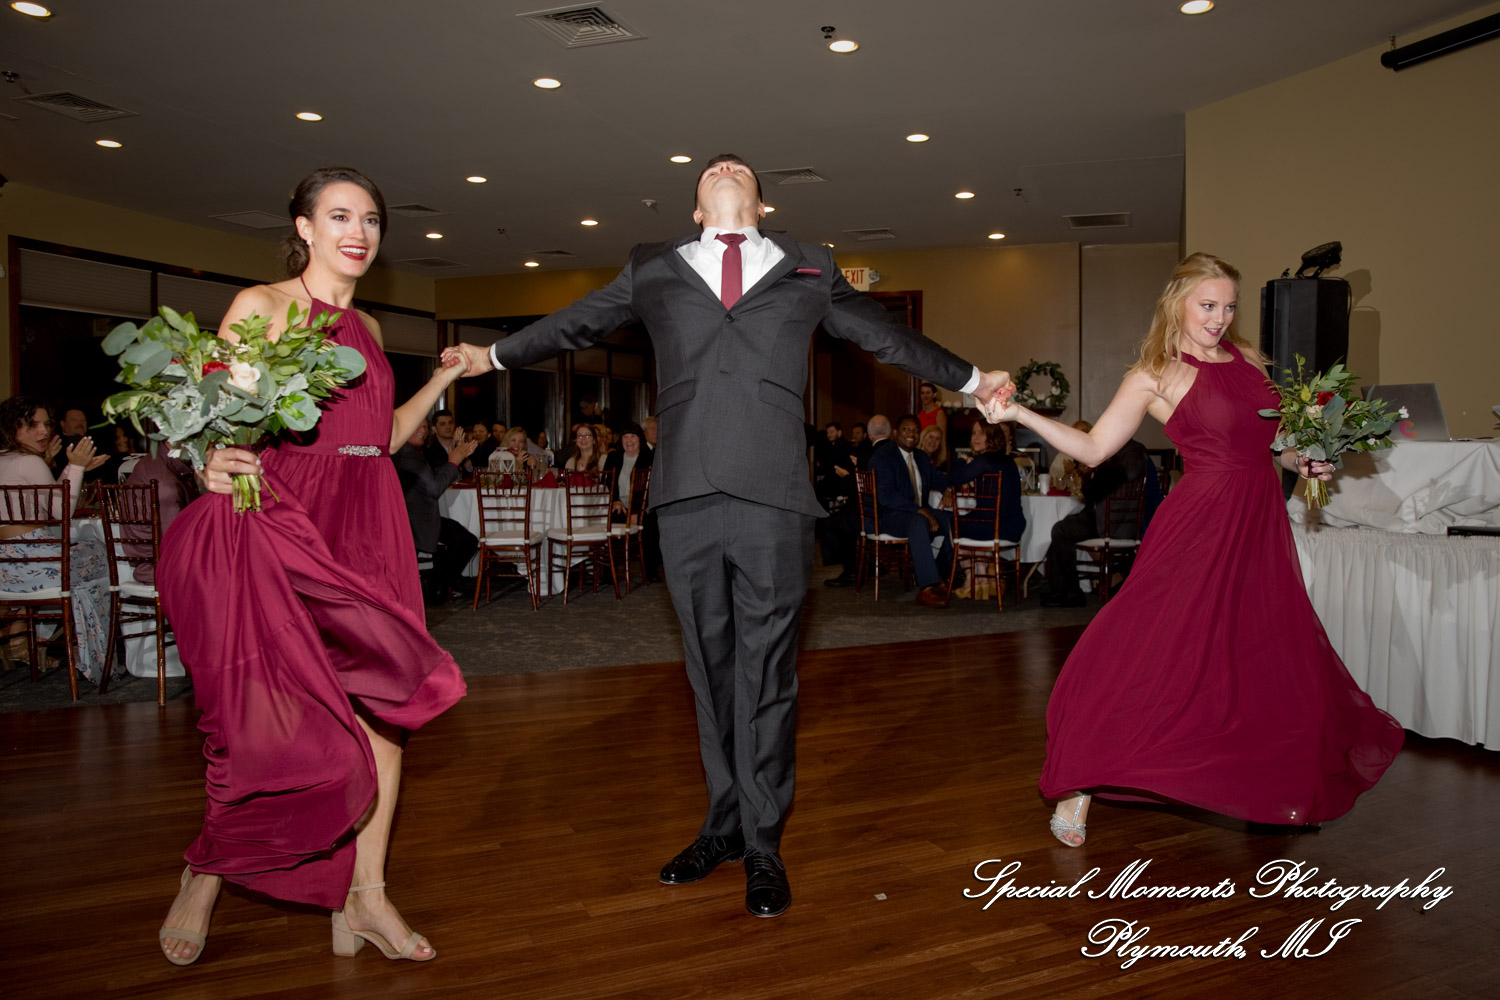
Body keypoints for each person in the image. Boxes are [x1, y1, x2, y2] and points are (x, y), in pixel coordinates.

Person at [445, 153, 1010, 918]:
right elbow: (578, 320)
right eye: (711, 170)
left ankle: (764, 844)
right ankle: (723, 826)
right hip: (685, 498)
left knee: (767, 672)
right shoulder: (653, 265)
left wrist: (972, 379)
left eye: (737, 167)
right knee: (709, 671)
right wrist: (491, 354)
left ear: (761, 202)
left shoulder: (809, 266)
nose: (724, 166)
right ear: (695, 209)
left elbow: (883, 337)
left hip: (775, 498)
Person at [981, 252, 1403, 846]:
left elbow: (1273, 445)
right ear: (1177, 303)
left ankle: (1269, 786)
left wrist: (1303, 459)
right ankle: (1080, 777)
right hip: (1200, 522)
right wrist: (1019, 411)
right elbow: (1094, 449)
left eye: (1228, 307)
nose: (1219, 318)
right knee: (1145, 642)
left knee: (1259, 648)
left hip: (1259, 521)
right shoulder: (1154, 374)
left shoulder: (1248, 360)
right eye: (1208, 305)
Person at [155, 166, 467, 967]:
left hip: (371, 521)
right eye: (339, 216)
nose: (358, 233)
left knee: (384, 713)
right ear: (303, 227)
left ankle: (366, 897)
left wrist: (442, 377)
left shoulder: (368, 331)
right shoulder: (262, 306)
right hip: (290, 518)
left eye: (370, 220)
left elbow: (379, 437)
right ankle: (206, 873)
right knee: (263, 720)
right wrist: (210, 460)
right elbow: (211, 419)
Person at [0, 397, 111, 680]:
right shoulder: (29, 462)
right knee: (102, 553)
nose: (43, 431)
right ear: (12, 427)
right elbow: (61, 513)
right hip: (34, 565)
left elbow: (50, 499)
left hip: (6, 569)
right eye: (32, 424)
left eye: (46, 424)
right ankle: (93, 654)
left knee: (86, 558)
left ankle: (26, 638)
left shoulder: (8, 460)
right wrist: (76, 468)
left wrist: (73, 468)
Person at [1037, 436, 1152, 608]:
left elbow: (1131, 472)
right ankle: (1060, 589)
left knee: (1062, 530)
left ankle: (1070, 593)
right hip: (1101, 516)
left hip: (1117, 522)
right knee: (1061, 525)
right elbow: (1091, 493)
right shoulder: (1113, 452)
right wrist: (1088, 474)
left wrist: (1101, 466)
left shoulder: (1134, 450)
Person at [869, 414, 955, 607]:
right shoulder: (883, 457)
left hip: (916, 514)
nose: (911, 434)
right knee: (919, 522)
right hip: (890, 516)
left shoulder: (921, 457)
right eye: (906, 429)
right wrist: (920, 510)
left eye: (916, 431)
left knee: (952, 519)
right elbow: (886, 496)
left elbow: (937, 478)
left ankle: (941, 574)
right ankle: (927, 587)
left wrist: (947, 490)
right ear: (895, 433)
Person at [394, 422, 478, 604]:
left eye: (424, 426)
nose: (423, 431)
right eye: (417, 426)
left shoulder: (409, 451)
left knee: (463, 538)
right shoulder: (408, 454)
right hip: (415, 521)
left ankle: (440, 582)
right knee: (465, 540)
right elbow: (434, 488)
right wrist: (453, 462)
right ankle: (436, 582)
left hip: (415, 517)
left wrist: (453, 460)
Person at [122, 443, 201, 585]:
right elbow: (173, 543)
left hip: (159, 560)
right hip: (161, 566)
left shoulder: (158, 461)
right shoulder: (166, 484)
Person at [951, 419, 1024, 544]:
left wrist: (961, 460)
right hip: (1014, 526)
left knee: (952, 523)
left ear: (992, 435)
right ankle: (978, 559)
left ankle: (951, 557)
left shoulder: (985, 460)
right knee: (963, 523)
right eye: (974, 433)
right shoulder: (1007, 459)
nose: (976, 437)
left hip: (995, 527)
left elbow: (954, 478)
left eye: (981, 433)